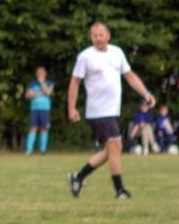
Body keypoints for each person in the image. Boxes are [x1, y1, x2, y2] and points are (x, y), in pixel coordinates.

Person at [66, 22, 155, 200]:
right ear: (91, 38)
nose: (98, 38)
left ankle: (78, 177)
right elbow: (75, 82)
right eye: (94, 35)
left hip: (113, 111)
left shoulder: (117, 52)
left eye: (101, 34)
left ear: (108, 36)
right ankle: (119, 190)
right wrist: (72, 107)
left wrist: (146, 93)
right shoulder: (86, 56)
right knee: (115, 146)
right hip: (97, 112)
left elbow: (129, 75)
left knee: (111, 151)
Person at [25, 66, 54, 155]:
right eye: (39, 73)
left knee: (44, 128)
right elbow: (27, 95)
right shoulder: (32, 84)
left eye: (42, 72)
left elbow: (48, 92)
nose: (40, 74)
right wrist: (41, 92)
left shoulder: (49, 82)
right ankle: (29, 150)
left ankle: (43, 150)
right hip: (34, 109)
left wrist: (42, 84)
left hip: (45, 109)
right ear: (36, 74)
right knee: (33, 128)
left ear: (45, 74)